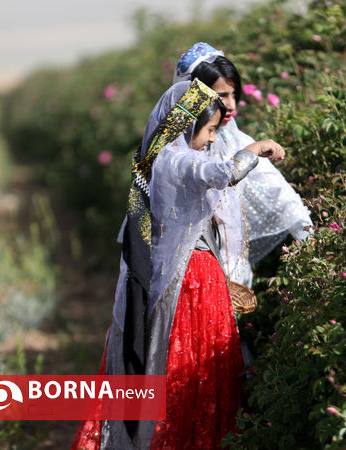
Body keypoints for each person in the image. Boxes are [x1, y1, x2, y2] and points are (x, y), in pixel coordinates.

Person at [72, 79, 284, 449]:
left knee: (198, 365)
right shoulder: (174, 160)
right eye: (210, 130)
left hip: (200, 278)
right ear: (187, 125)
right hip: (192, 283)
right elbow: (223, 174)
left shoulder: (172, 159)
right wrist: (256, 148)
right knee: (190, 367)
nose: (213, 139)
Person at [173, 42, 313, 288]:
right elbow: (219, 175)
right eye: (221, 96)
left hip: (231, 272)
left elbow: (279, 193)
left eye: (233, 95)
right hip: (187, 274)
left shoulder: (236, 140)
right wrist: (253, 151)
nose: (231, 106)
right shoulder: (176, 149)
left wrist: (308, 238)